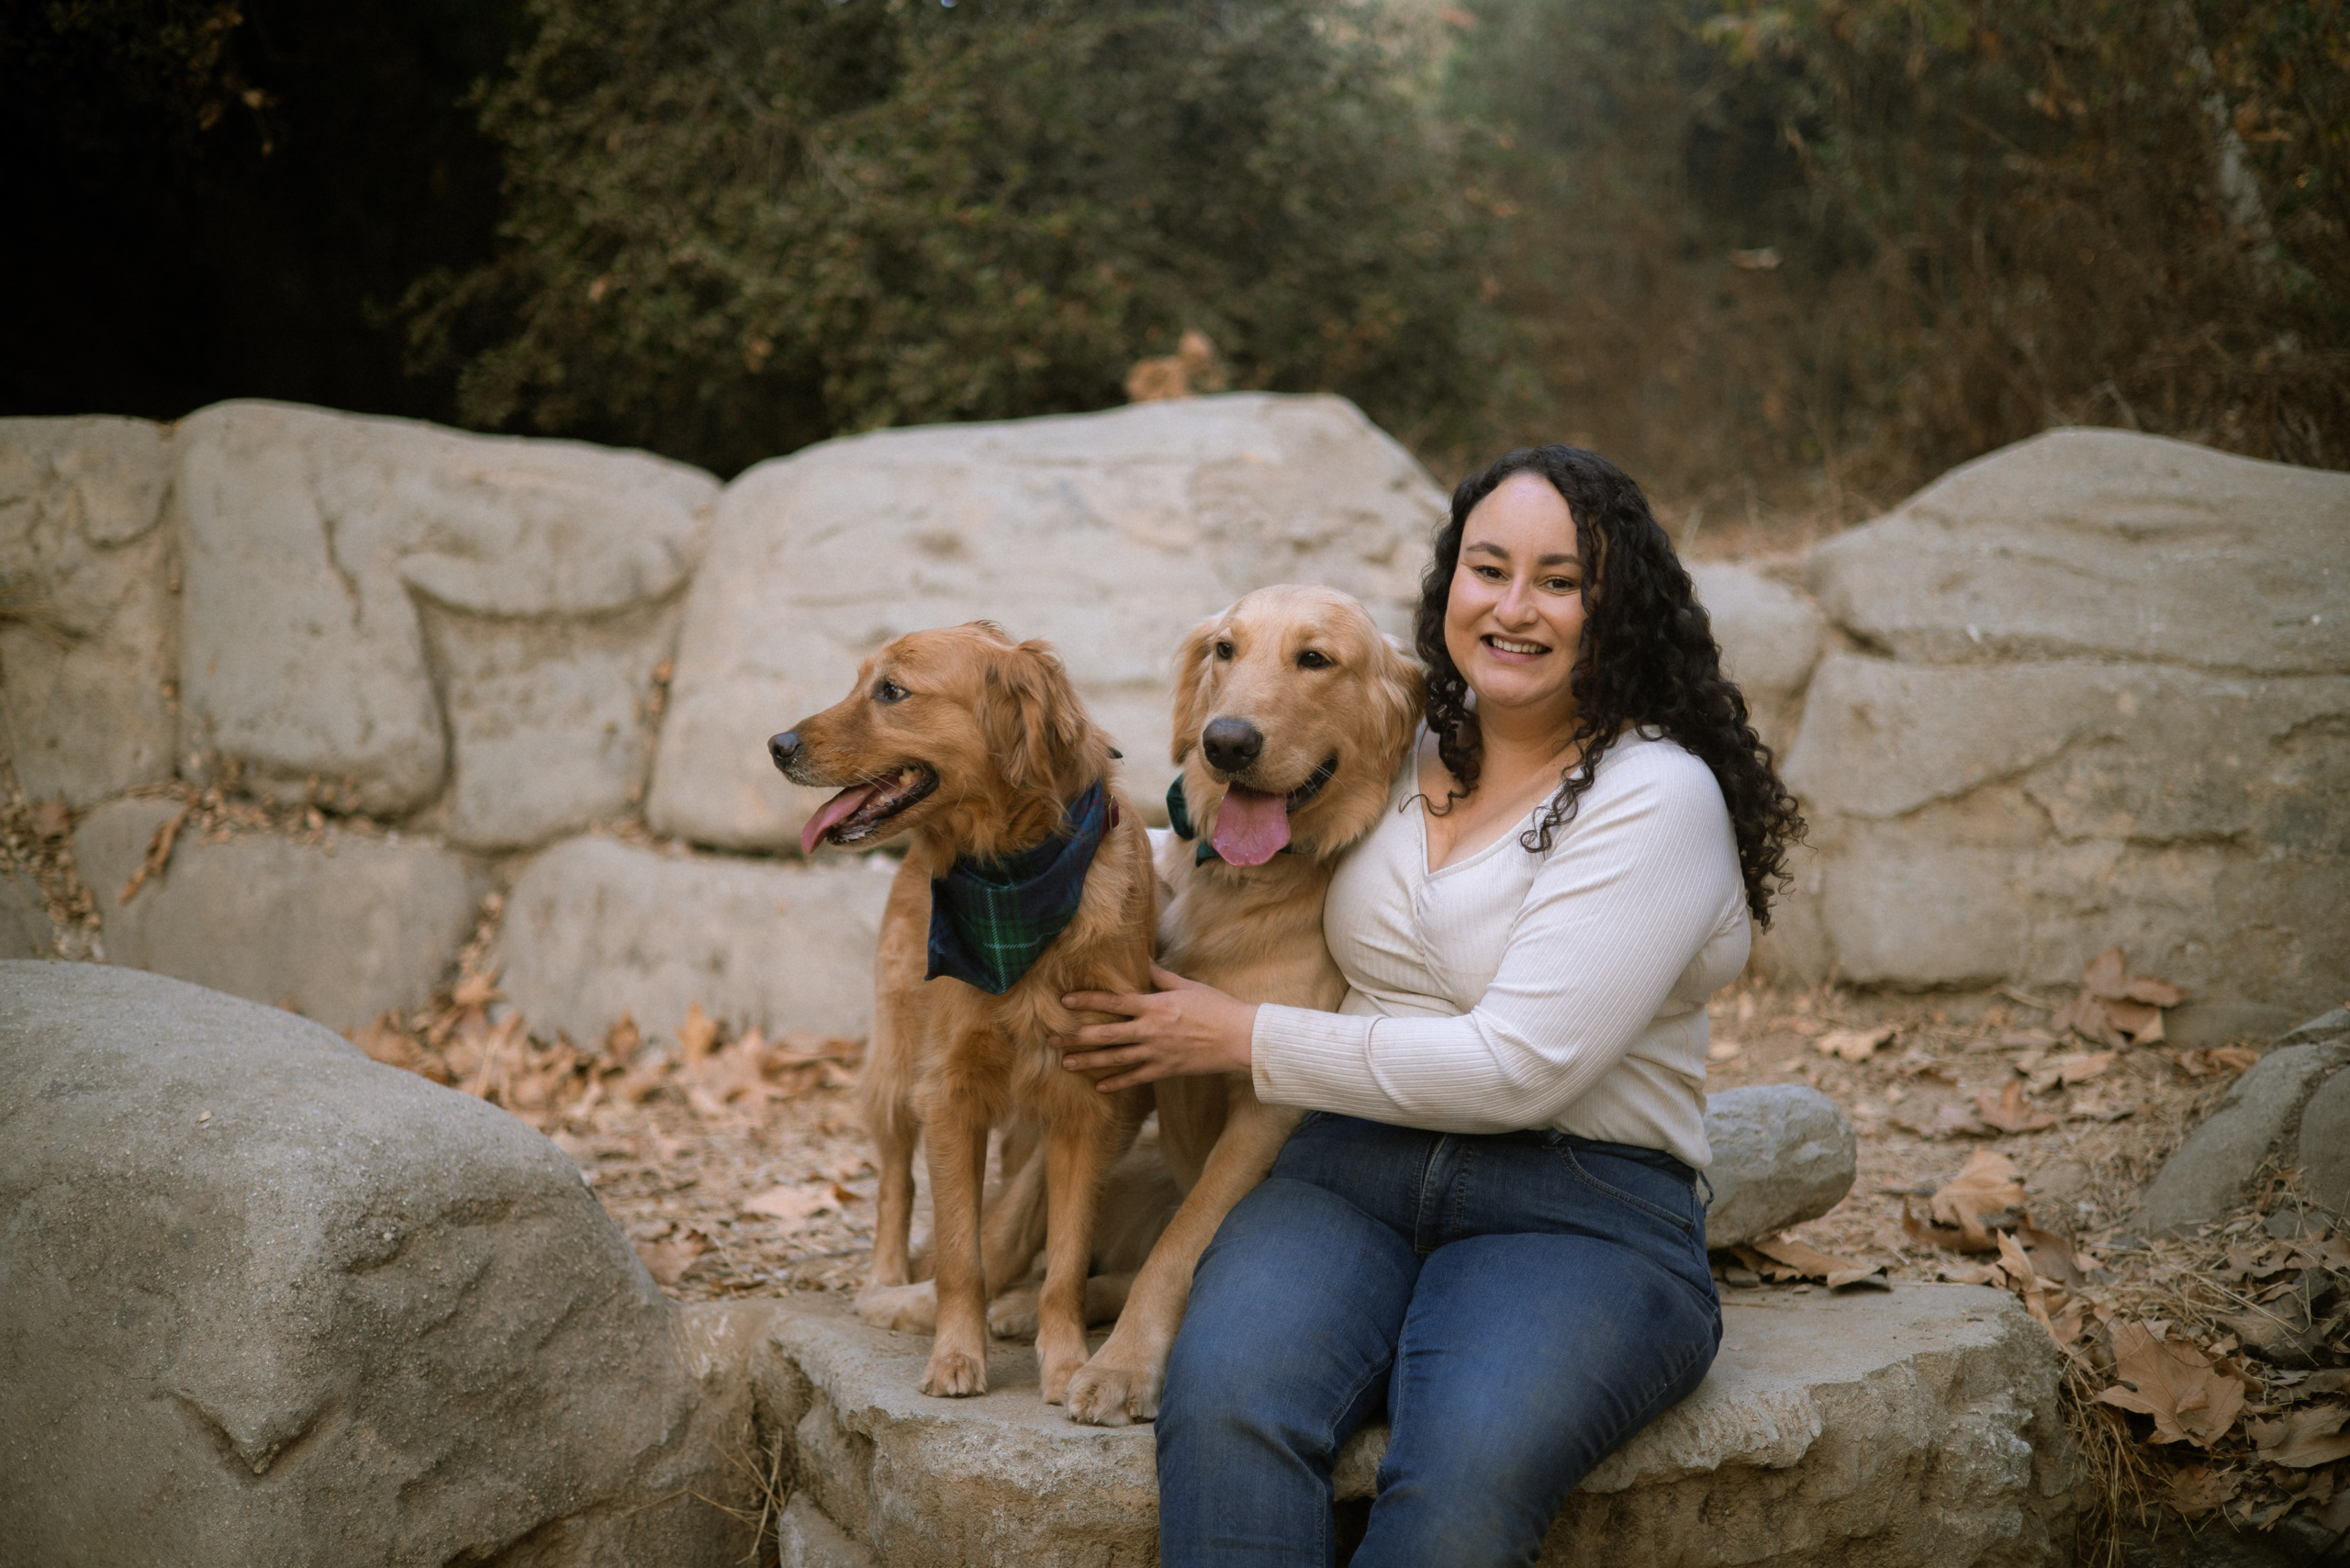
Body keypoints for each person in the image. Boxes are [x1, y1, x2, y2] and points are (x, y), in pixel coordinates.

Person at [1057, 444, 1806, 1567]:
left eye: (1558, 581)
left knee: (1456, 1479)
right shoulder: (1391, 747)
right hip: (1346, 1171)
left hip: (1578, 1203)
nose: (1512, 607)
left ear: (1619, 609)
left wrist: (1241, 1035)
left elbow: (1519, 1067)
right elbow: (1203, 828)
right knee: (1223, 1416)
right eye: (1487, 567)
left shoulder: (1656, 796)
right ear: (1448, 583)